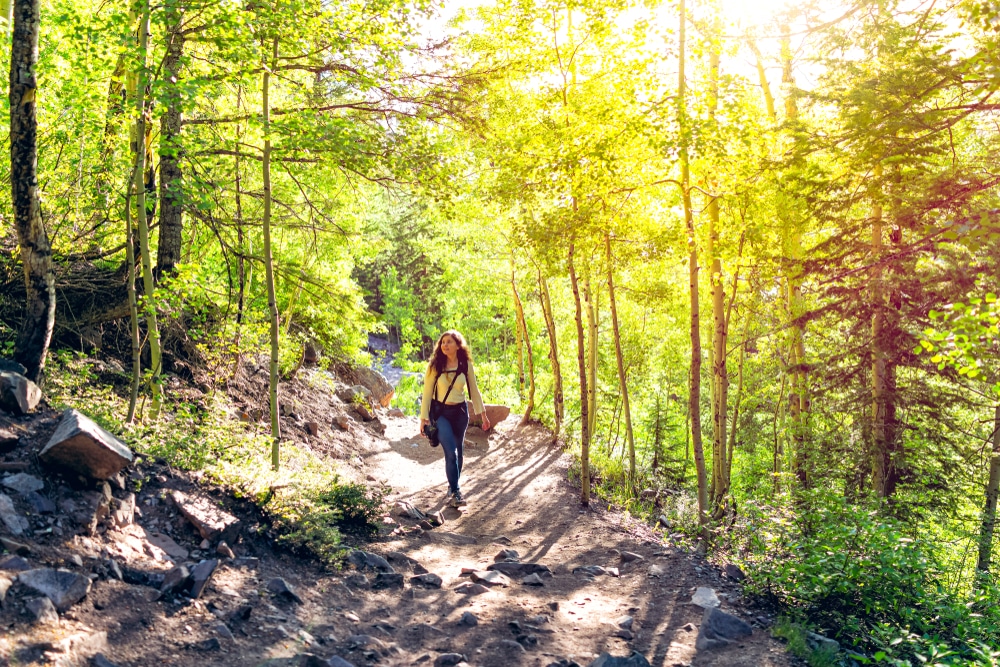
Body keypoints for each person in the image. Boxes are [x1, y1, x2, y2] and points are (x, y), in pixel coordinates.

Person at [419, 330, 491, 508]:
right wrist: (423, 418)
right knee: (451, 453)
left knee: (458, 452)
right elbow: (427, 392)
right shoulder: (435, 365)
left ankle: (452, 488)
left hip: (460, 413)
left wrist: (483, 415)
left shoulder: (465, 364)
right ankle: (457, 491)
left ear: (458, 345)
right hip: (440, 413)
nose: (445, 345)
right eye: (443, 342)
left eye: (449, 342)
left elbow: (474, 390)